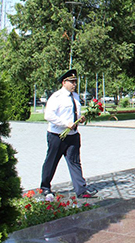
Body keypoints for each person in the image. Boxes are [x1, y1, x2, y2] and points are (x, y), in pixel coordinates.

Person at [40, 69, 98, 198]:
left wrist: (80, 118)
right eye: (71, 82)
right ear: (64, 82)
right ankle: (45, 187)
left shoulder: (75, 96)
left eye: (75, 82)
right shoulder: (56, 97)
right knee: (52, 161)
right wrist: (65, 124)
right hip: (57, 135)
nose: (74, 84)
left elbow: (74, 113)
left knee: (75, 162)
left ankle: (81, 190)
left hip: (73, 135)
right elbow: (48, 115)